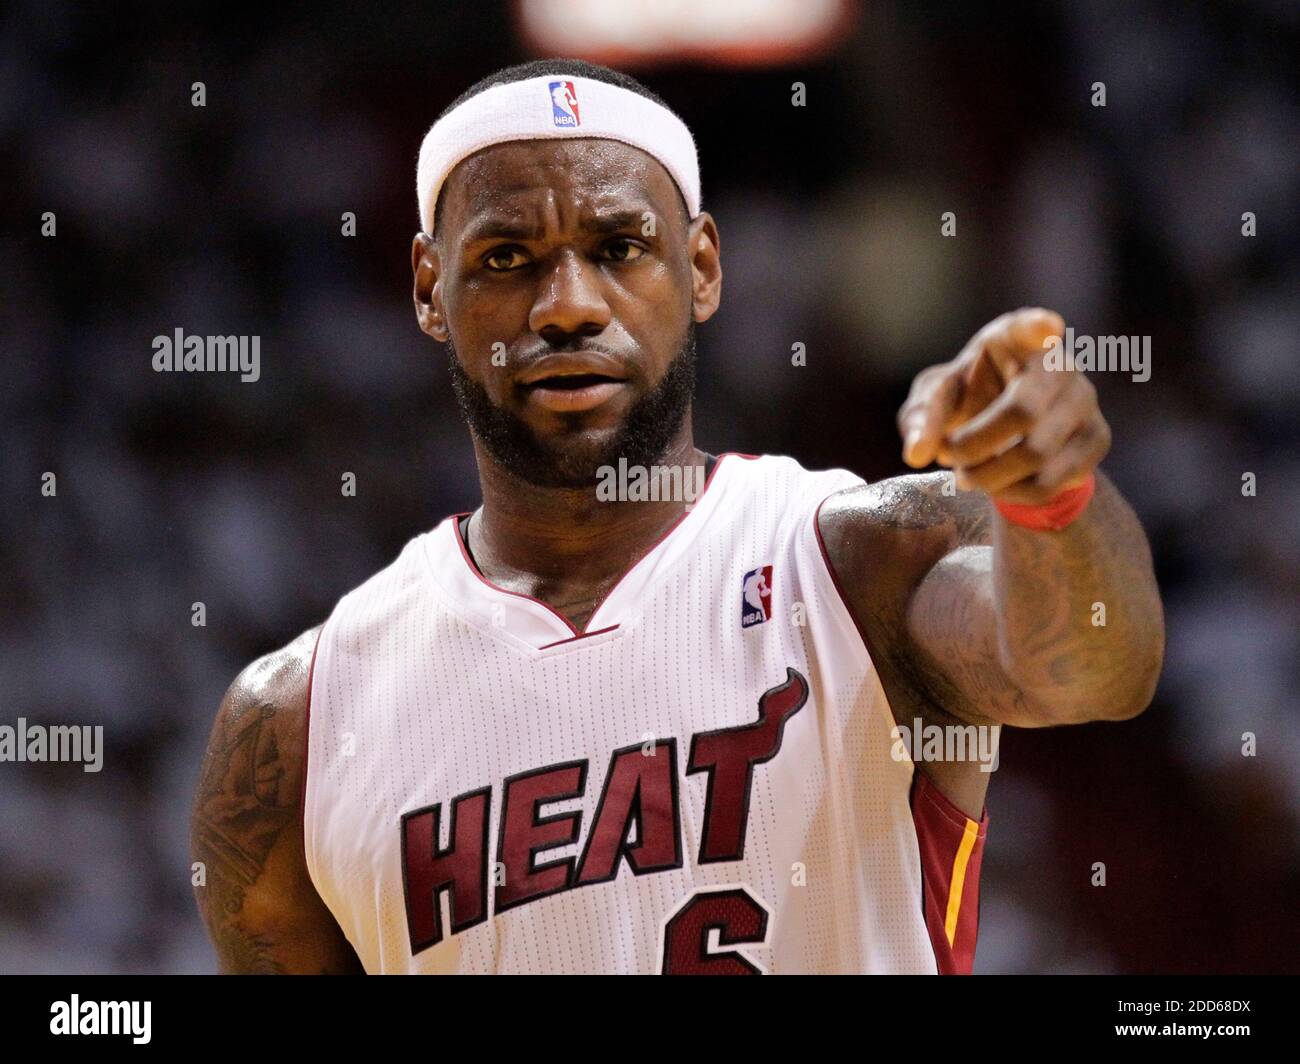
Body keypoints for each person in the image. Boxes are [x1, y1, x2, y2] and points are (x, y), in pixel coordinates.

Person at [191, 58, 1164, 974]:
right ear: (427, 288)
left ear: (700, 267)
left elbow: (1089, 666)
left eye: (618, 248)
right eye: (505, 257)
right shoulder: (298, 723)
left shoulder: (861, 558)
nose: (566, 304)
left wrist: (1054, 496)